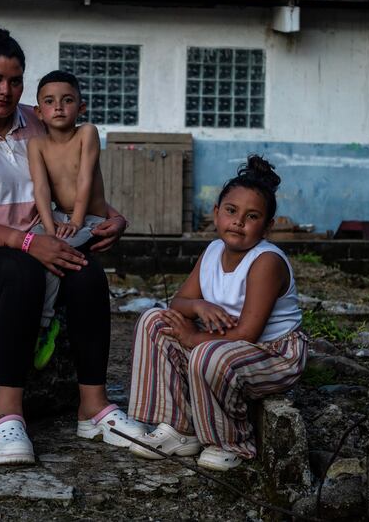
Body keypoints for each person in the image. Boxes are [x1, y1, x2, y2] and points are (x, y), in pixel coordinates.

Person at [0, 29, 146, 466]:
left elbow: (69, 181)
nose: (6, 90)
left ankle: (93, 408)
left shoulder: (37, 120)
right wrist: (25, 242)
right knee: (21, 275)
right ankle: (6, 417)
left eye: (16, 80)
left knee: (86, 272)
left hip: (36, 240)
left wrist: (112, 216)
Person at [127, 155, 308, 471]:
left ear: (266, 227)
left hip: (273, 354)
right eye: (231, 211)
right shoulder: (212, 251)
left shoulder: (266, 262)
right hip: (223, 345)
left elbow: (248, 334)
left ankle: (231, 441)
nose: (238, 221)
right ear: (216, 213)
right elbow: (178, 303)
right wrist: (198, 306)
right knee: (154, 320)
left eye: (252, 217)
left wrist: (194, 336)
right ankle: (177, 428)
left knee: (207, 354)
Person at [27, 70, 109, 370]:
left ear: (81, 107)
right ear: (39, 112)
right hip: (60, 218)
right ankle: (28, 317)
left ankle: (45, 326)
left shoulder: (86, 133)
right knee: (33, 246)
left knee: (57, 254)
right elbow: (41, 188)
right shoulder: (36, 144)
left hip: (88, 218)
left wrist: (75, 219)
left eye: (67, 100)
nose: (58, 107)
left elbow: (85, 177)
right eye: (49, 101)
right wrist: (49, 229)